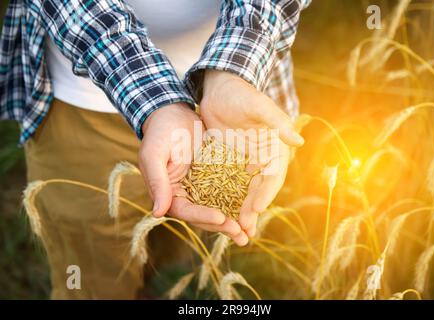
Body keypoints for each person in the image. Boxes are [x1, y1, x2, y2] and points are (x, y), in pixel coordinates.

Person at [0, 0, 310, 299]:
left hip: (233, 95)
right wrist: (157, 102)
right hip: (84, 100)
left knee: (181, 240)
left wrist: (233, 69)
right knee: (91, 265)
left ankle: (145, 283)